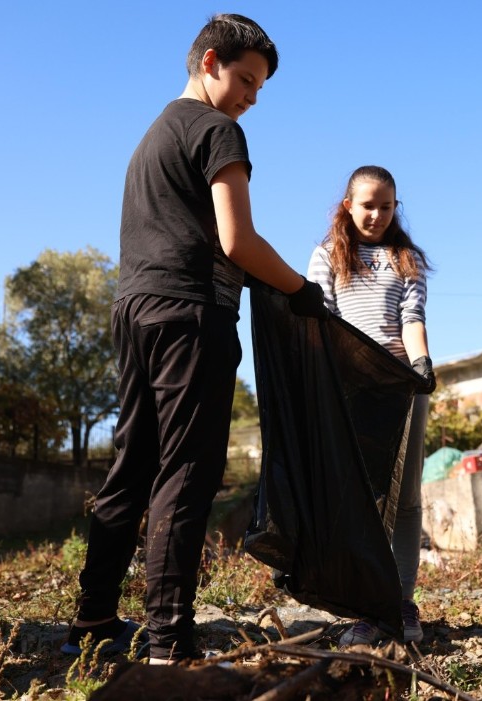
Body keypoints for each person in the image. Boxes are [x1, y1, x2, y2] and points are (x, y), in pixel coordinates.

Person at [63, 14, 329, 664]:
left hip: (134, 308)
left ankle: (94, 617)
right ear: (209, 62)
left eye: (259, 88)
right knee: (186, 471)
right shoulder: (217, 130)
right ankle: (167, 642)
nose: (251, 98)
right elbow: (237, 240)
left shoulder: (152, 135)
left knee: (133, 465)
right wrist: (300, 289)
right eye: (244, 79)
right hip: (189, 313)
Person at [307, 165, 436, 646]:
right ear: (348, 205)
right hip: (352, 388)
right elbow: (323, 320)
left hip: (402, 386)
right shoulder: (327, 256)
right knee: (364, 499)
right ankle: (367, 607)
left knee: (405, 499)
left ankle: (400, 600)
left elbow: (412, 316)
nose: (378, 215)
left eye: (387, 206)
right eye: (368, 205)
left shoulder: (406, 258)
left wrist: (421, 363)